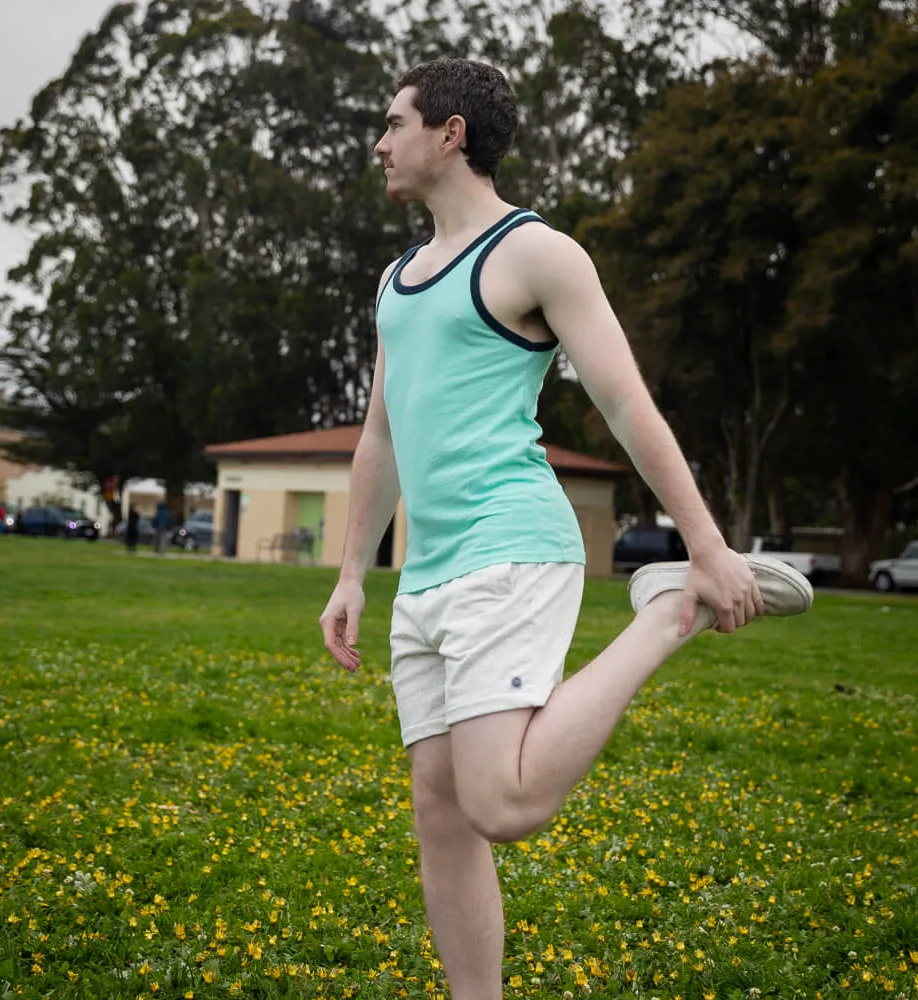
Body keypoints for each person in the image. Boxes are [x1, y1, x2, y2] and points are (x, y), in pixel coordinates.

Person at [318, 57, 812, 1000]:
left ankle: (668, 613)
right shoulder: (396, 281)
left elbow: (626, 403)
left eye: (393, 123)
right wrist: (353, 573)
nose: (380, 143)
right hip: (427, 575)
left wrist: (704, 547)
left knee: (501, 803)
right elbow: (380, 435)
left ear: (450, 133)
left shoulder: (538, 255)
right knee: (441, 813)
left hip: (513, 545)